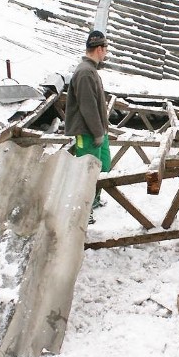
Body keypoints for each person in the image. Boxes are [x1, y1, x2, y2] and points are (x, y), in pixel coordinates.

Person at [65, 30, 111, 223]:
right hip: (87, 132)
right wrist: (97, 132)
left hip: (97, 130)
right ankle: (83, 211)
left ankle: (93, 201)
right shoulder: (84, 72)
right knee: (87, 171)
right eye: (106, 49)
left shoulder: (91, 70)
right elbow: (87, 106)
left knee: (101, 166)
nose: (106, 53)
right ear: (99, 49)